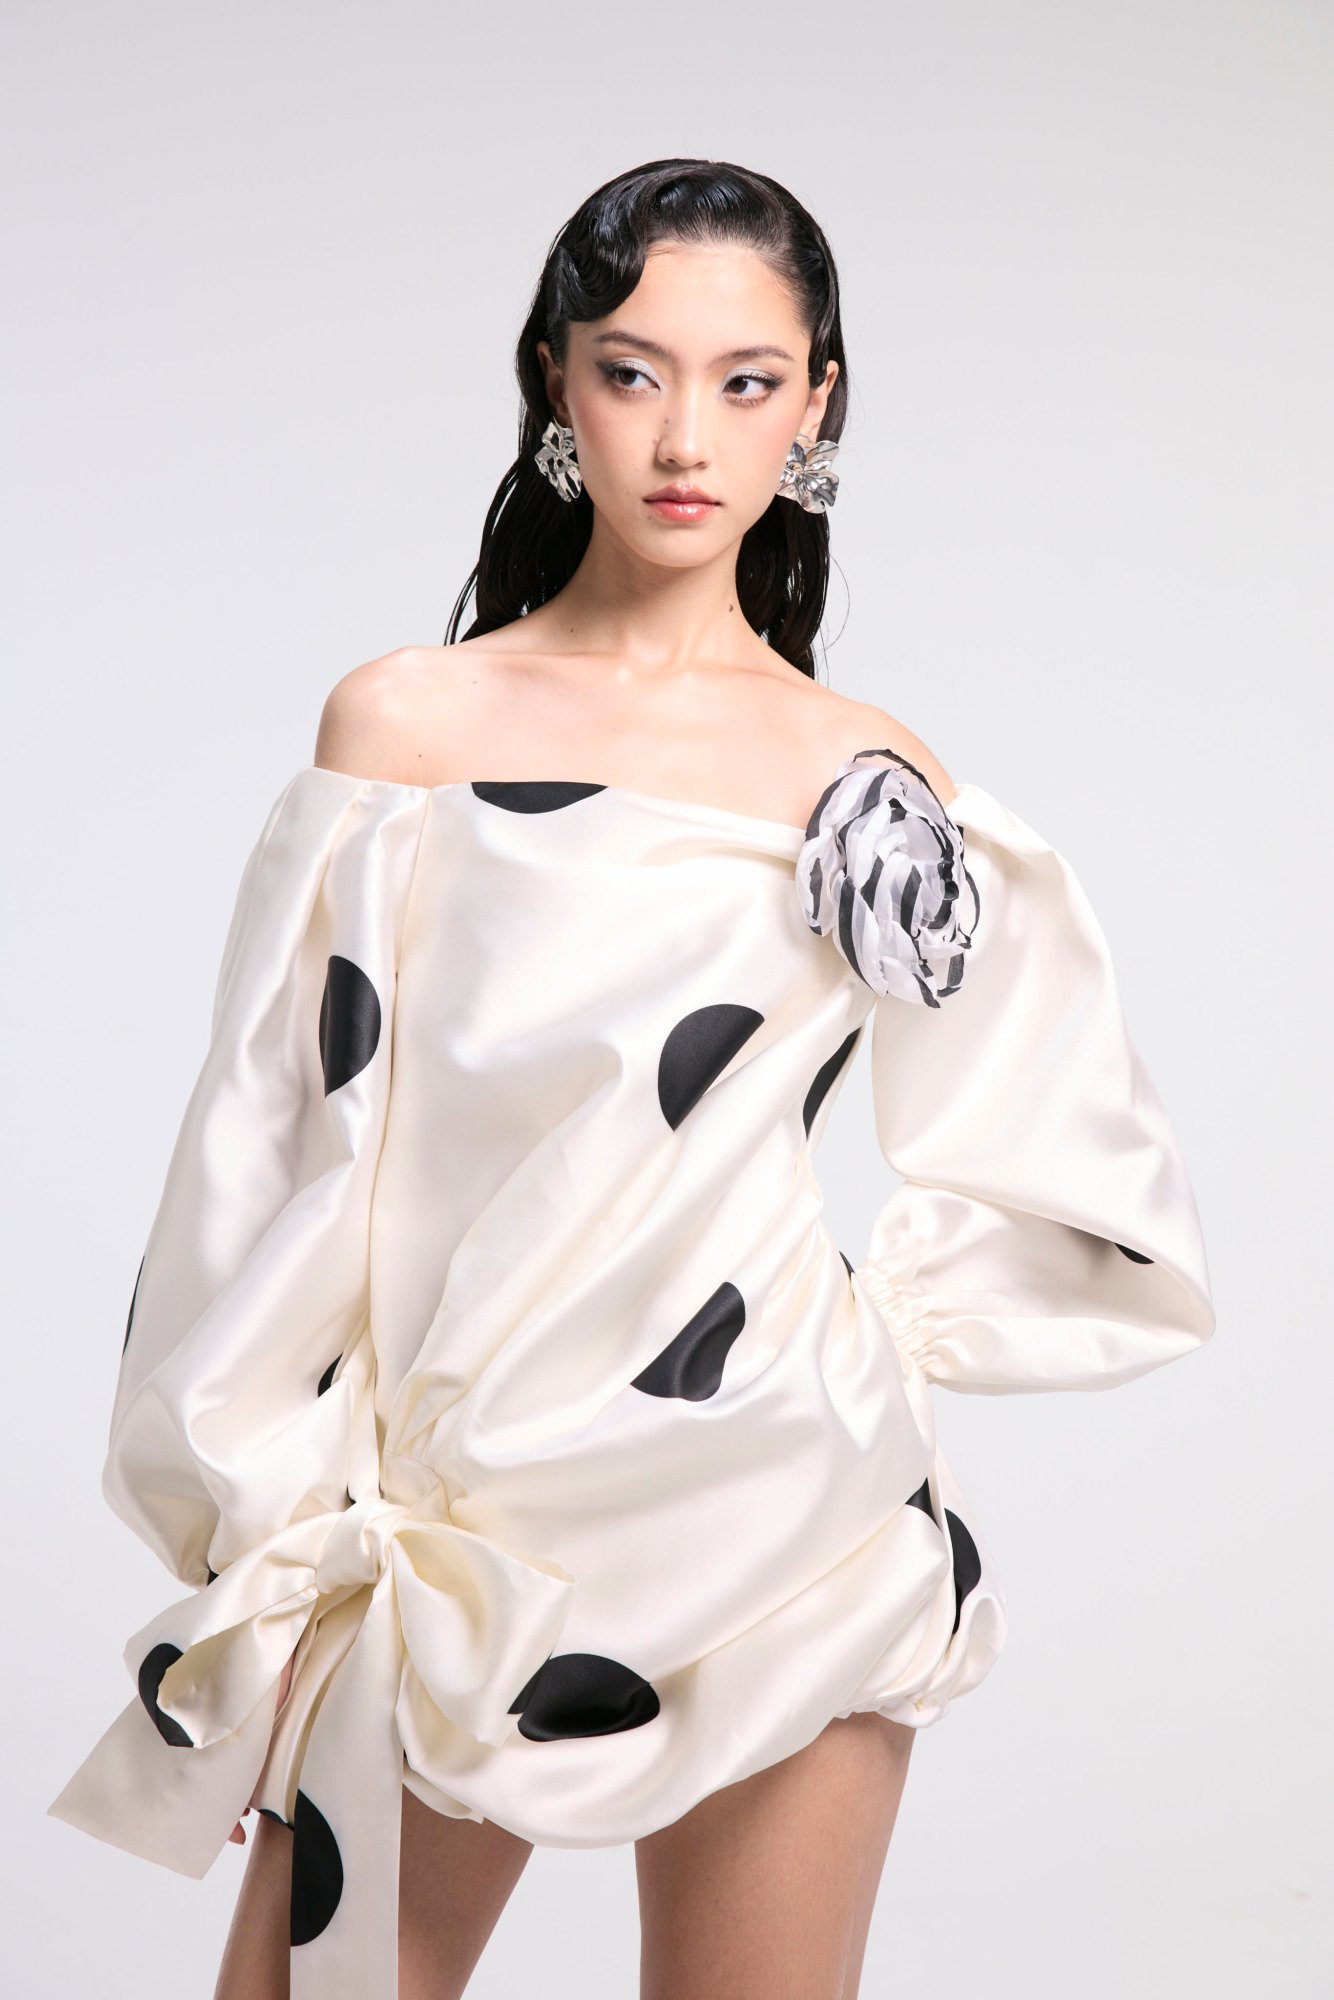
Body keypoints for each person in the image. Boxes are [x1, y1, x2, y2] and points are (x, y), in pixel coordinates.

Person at [48, 158, 1216, 2000]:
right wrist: (269, 1522)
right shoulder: (405, 732)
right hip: (463, 1542)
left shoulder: (869, 777)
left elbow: (1065, 1140)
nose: (685, 438)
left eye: (746, 382)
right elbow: (271, 1166)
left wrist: (866, 1340)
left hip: (791, 1523)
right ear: (554, 382)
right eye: (632, 371)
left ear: (816, 404)